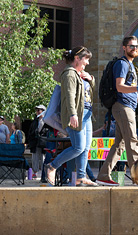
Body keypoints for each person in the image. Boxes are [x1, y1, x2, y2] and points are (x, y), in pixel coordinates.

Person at [96, 35, 138, 186]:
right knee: (132, 140)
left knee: (120, 144)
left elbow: (132, 92)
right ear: (124, 48)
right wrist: (137, 88)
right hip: (122, 106)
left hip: (128, 106)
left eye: (137, 47)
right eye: (131, 46)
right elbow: (120, 87)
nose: (135, 49)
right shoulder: (122, 64)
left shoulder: (130, 66)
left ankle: (103, 174)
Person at [46, 46, 98, 187]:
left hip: (86, 114)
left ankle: (81, 177)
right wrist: (72, 114)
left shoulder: (79, 74)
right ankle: (52, 166)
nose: (87, 63)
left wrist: (90, 79)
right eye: (86, 59)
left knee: (86, 147)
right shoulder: (69, 74)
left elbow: (88, 92)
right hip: (77, 114)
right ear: (77, 58)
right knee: (78, 147)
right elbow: (69, 95)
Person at [28, 105, 46, 179]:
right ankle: (35, 173)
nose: (38, 112)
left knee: (43, 158)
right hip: (35, 143)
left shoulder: (46, 120)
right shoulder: (34, 121)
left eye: (39, 110)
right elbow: (30, 132)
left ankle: (43, 174)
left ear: (43, 111)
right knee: (35, 157)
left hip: (43, 143)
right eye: (37, 110)